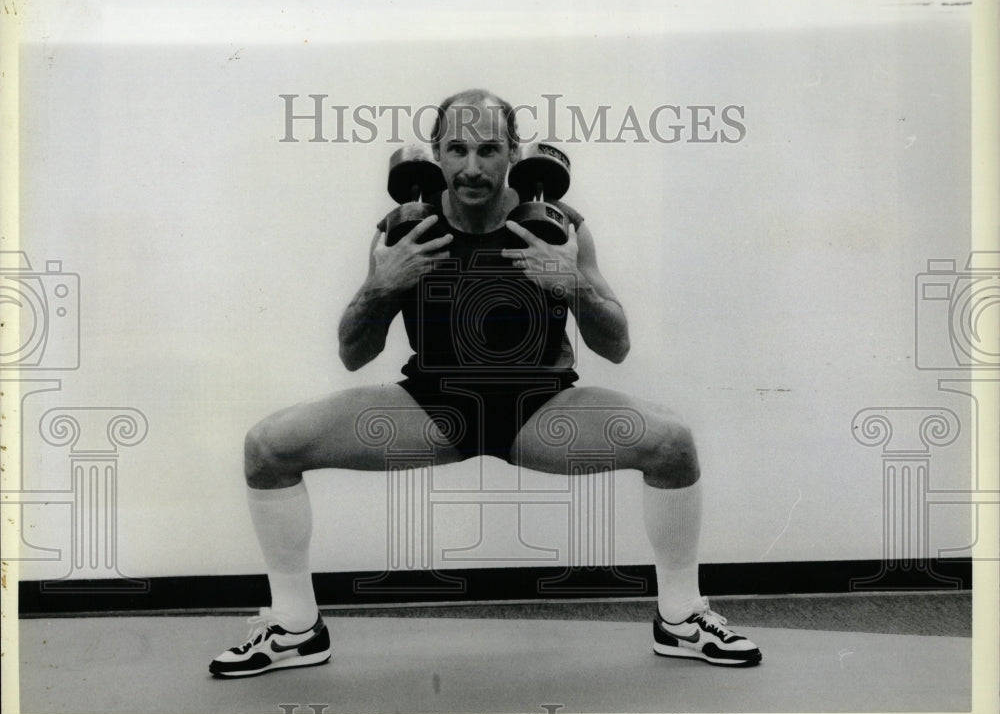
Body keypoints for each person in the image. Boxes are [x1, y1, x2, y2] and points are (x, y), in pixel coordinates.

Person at [209, 89, 762, 678]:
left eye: (488, 149)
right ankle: (295, 628)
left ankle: (681, 619)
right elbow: (353, 354)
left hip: (541, 408)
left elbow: (617, 347)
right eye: (456, 149)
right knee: (268, 447)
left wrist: (572, 282)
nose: (471, 167)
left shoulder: (557, 227)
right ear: (435, 157)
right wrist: (382, 286)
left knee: (672, 443)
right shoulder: (406, 229)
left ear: (515, 154)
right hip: (431, 407)